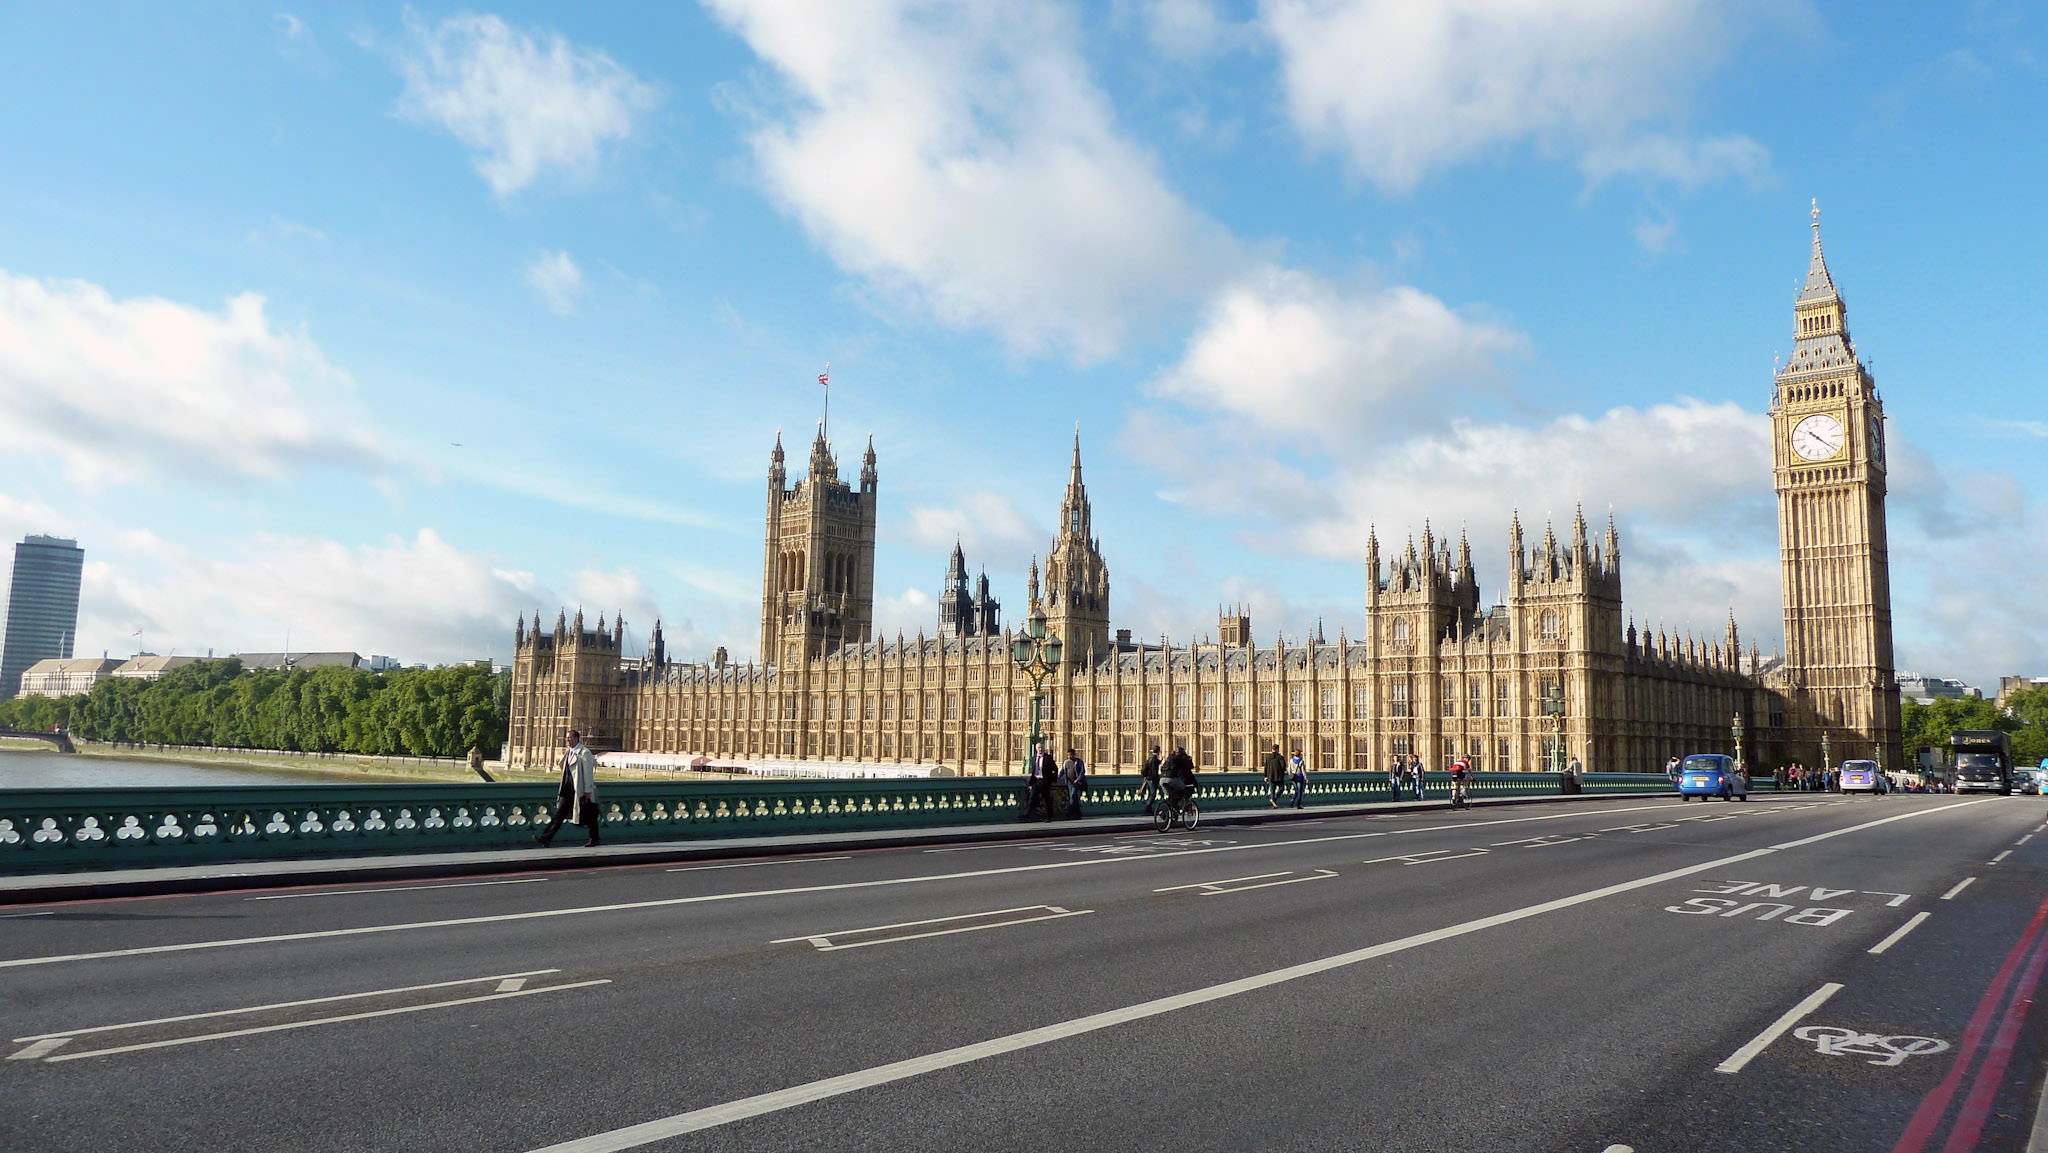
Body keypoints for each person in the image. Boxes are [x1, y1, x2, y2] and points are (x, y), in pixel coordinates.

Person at [534, 729, 600, 847]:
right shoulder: (569, 752)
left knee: (590, 815)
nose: (567, 739)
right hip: (567, 789)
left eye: (569, 737)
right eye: (567, 738)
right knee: (559, 814)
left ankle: (594, 839)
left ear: (576, 738)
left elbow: (588, 774)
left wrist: (588, 791)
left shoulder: (585, 753)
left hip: (579, 789)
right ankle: (546, 838)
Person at [1025, 742, 1058, 821]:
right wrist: (1031, 783)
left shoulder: (1048, 758)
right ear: (1036, 749)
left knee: (1046, 799)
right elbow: (1033, 771)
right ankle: (1027, 815)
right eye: (1039, 747)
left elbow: (1055, 769)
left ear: (1044, 748)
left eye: (1041, 747)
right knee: (1032, 798)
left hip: (1045, 781)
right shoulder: (1033, 758)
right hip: (1036, 781)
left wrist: (1052, 780)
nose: (1040, 749)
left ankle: (1049, 817)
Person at [1162, 743, 1197, 813]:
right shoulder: (1181, 759)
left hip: (1162, 779)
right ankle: (1179, 808)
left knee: (1171, 795)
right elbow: (1188, 770)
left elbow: (1162, 768)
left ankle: (1167, 812)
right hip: (1173, 779)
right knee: (1183, 791)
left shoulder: (1169, 758)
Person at [1061, 747, 1088, 819]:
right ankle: (1078, 814)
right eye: (1068, 755)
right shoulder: (1066, 762)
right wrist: (1057, 777)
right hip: (1069, 782)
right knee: (1074, 798)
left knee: (1072, 796)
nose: (1069, 756)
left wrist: (1078, 779)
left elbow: (1082, 771)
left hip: (1076, 783)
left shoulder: (1079, 762)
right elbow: (1062, 771)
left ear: (1074, 755)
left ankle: (1069, 813)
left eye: (1071, 755)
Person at [1139, 745, 1163, 814]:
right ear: (1158, 751)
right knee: (1153, 794)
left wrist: (1159, 761)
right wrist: (1157, 778)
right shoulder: (1154, 759)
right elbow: (1154, 770)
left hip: (1148, 778)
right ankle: (1147, 809)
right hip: (1152, 779)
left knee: (1150, 794)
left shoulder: (1150, 757)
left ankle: (1149, 809)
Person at [1263, 742, 1288, 807]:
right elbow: (1283, 766)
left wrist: (1265, 776)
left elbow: (1265, 767)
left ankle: (1273, 801)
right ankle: (1274, 799)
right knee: (1282, 788)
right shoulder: (1280, 757)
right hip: (1278, 776)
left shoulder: (1268, 757)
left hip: (1270, 776)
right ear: (1277, 749)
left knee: (1272, 790)